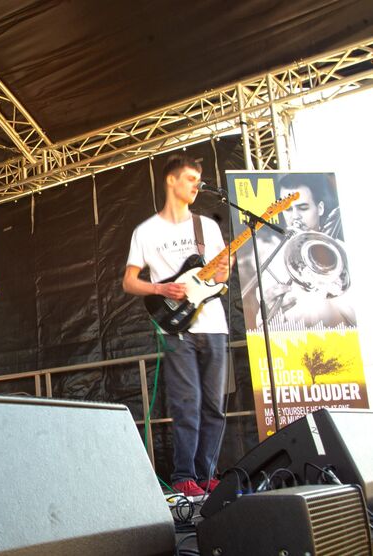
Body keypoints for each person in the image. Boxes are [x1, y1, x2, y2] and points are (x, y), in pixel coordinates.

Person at [122, 154, 231, 498]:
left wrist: (223, 270)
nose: (195, 186)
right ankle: (184, 474)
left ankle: (208, 473)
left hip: (213, 323)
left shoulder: (207, 228)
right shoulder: (146, 231)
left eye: (198, 180)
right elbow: (129, 282)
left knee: (214, 404)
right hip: (175, 328)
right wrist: (159, 288)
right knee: (187, 402)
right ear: (171, 181)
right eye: (189, 179)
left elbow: (218, 276)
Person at [255, 173, 355, 328]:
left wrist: (327, 288)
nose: (295, 217)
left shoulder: (342, 251)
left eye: (303, 208)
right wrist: (268, 309)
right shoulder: (273, 258)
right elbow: (261, 326)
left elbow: (359, 315)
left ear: (320, 208)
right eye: (287, 210)